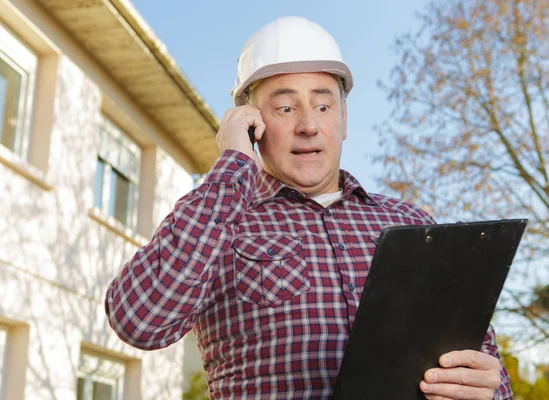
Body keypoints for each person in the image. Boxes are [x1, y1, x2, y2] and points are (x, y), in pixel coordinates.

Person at [105, 16, 512, 399]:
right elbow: (139, 321)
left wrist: (484, 388)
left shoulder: (413, 223)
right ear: (251, 123)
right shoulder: (218, 222)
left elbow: (489, 368)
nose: (308, 125)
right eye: (285, 108)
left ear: (345, 119)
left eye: (323, 105)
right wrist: (233, 164)